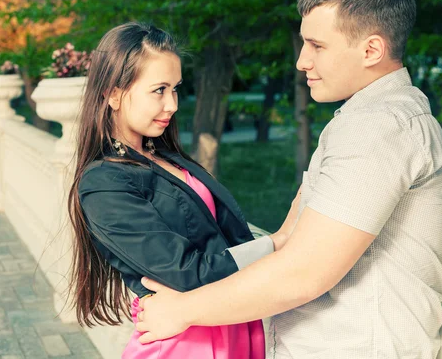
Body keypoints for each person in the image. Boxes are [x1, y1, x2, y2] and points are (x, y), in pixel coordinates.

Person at [135, 0, 442, 359]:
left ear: (371, 49)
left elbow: (305, 271)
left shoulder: (379, 126)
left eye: (317, 45)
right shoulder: (374, 117)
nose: (302, 61)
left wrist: (184, 310)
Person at [67, 22, 291, 358]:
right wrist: (274, 245)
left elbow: (222, 235)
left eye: (175, 89)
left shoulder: (166, 156)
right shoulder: (103, 182)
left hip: (231, 321)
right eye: (159, 90)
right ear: (113, 94)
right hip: (186, 341)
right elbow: (188, 271)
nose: (172, 104)